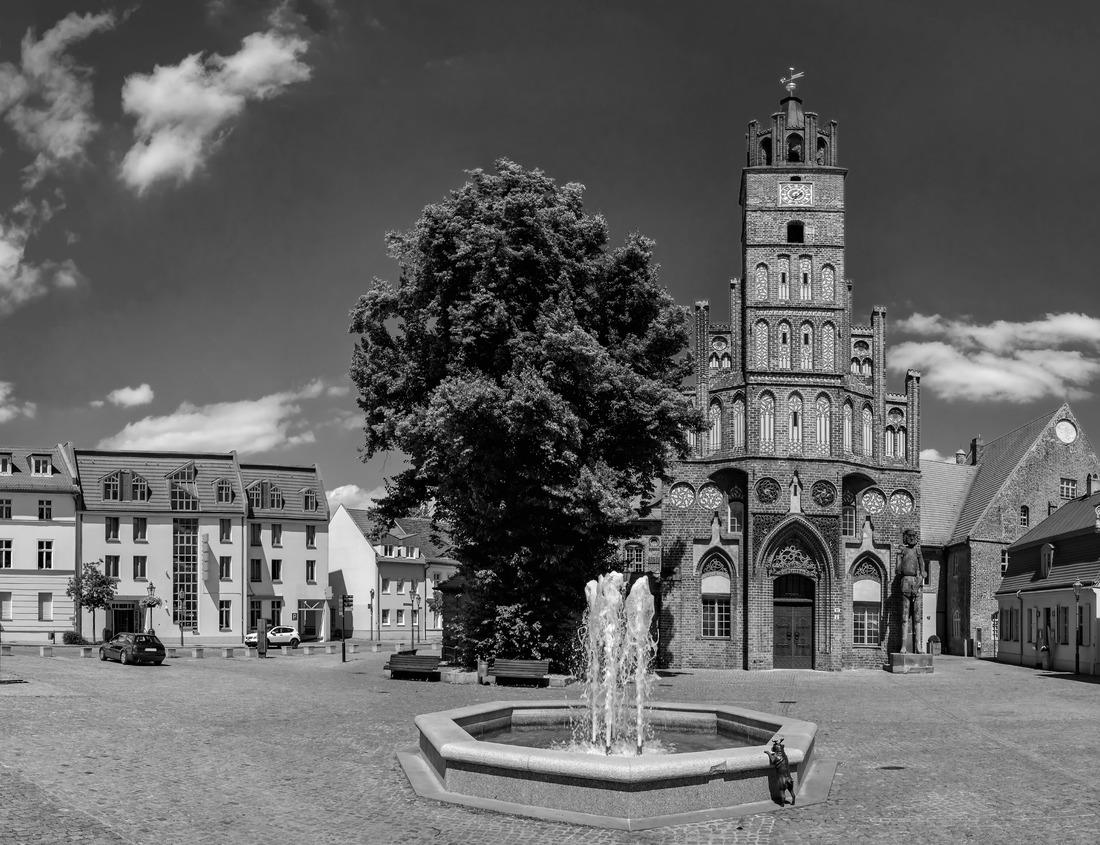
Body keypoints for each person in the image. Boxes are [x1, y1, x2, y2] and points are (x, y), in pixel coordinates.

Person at [898, 529, 926, 653]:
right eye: (910, 536)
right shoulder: (903, 550)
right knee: (904, 617)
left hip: (916, 581)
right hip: (905, 581)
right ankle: (903, 645)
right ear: (906, 537)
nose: (912, 538)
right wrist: (899, 556)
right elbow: (898, 570)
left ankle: (918, 646)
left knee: (917, 617)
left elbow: (922, 565)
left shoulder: (917, 550)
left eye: (914, 536)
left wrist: (922, 575)